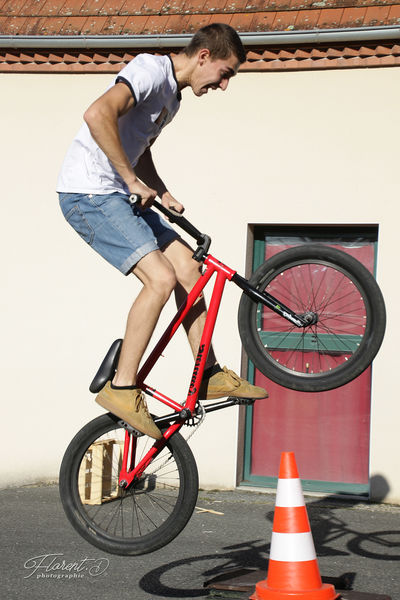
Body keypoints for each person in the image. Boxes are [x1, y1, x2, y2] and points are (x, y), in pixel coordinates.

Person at [57, 23, 268, 440]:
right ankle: (122, 387)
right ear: (204, 56)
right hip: (88, 193)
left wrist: (160, 189)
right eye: (226, 73)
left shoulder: (172, 96)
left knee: (190, 269)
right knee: (161, 278)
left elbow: (138, 146)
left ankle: (206, 373)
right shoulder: (151, 70)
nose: (224, 85)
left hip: (119, 192)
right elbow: (97, 114)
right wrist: (130, 180)